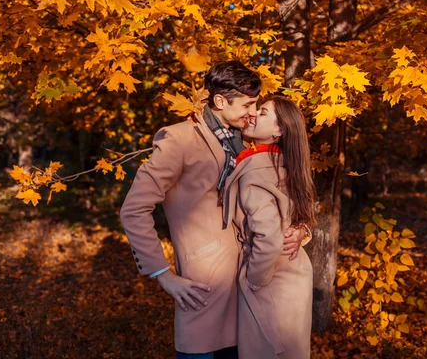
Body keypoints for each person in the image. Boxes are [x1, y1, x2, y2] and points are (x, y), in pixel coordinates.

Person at [119, 61, 309, 358]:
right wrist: (162, 274)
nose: (253, 111)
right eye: (248, 103)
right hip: (205, 291)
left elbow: (289, 189)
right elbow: (133, 209)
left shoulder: (248, 140)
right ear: (220, 101)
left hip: (248, 295)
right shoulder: (178, 140)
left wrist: (301, 229)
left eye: (257, 104)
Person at [222, 96, 315, 359]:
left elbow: (269, 236)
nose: (252, 115)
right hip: (293, 271)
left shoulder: (255, 169)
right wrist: (301, 230)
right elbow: (295, 214)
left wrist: (254, 280)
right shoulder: (289, 162)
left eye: (262, 113)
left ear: (279, 130)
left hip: (269, 279)